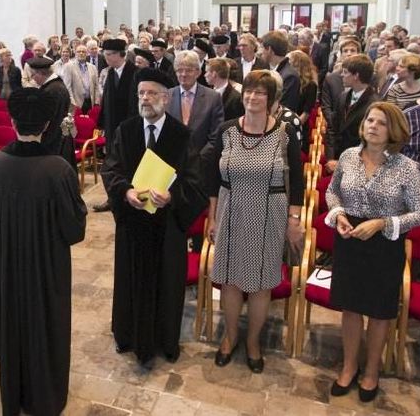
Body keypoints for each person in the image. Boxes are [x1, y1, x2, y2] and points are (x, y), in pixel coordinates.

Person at [0, 88, 87, 415]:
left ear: (11, 122)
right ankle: (46, 398)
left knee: (10, 326)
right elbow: (74, 229)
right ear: (47, 125)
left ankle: (13, 396)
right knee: (46, 326)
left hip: (6, 269)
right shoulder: (59, 170)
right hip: (46, 272)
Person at [101, 68, 207, 367]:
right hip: (133, 226)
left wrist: (173, 197)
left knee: (166, 283)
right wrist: (125, 192)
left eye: (150, 93)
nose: (145, 99)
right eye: (141, 94)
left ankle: (164, 341)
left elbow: (195, 183)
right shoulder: (126, 130)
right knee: (130, 281)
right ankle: (127, 336)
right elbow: (111, 169)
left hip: (167, 228)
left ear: (165, 97)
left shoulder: (181, 135)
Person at [325, 103, 420, 402]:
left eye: (381, 123)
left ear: (393, 130)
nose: (372, 126)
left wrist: (383, 223)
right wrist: (339, 213)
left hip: (384, 242)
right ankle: (349, 366)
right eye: (370, 120)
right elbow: (333, 191)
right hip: (350, 238)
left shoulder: (406, 167)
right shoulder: (347, 157)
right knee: (351, 307)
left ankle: (371, 371)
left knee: (379, 311)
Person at [206, 70, 304, 373]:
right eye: (249, 91)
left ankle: (253, 342)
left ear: (271, 98)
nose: (252, 97)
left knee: (261, 284)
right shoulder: (226, 130)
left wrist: (294, 219)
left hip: (268, 213)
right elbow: (213, 180)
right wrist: (212, 217)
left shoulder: (285, 134)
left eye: (260, 92)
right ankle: (231, 336)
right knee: (232, 281)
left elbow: (297, 182)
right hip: (230, 209)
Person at [325, 54, 379, 174]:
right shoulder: (343, 96)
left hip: (358, 166)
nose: (342, 75)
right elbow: (332, 128)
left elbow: (369, 142)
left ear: (356, 76)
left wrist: (344, 163)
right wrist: (331, 157)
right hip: (337, 158)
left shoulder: (374, 104)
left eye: (345, 72)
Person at [166, 51, 224, 152]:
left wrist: (199, 160)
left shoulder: (213, 98)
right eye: (180, 70)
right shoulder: (166, 96)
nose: (183, 74)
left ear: (198, 72)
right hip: (172, 161)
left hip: (201, 162)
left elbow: (216, 136)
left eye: (188, 70)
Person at [260, 31, 301, 114]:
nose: (261, 52)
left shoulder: (289, 76)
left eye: (263, 48)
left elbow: (283, 108)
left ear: (270, 50)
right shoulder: (273, 70)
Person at [60, 44, 100, 113]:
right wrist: (73, 104)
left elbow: (96, 86)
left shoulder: (93, 67)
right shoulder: (68, 67)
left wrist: (96, 102)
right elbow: (67, 87)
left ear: (87, 53)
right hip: (76, 104)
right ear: (75, 53)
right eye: (79, 51)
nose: (81, 53)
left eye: (83, 51)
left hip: (91, 103)